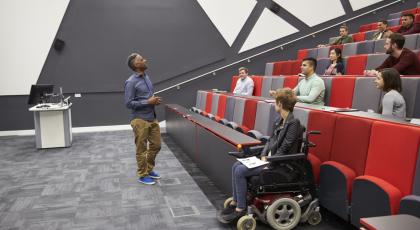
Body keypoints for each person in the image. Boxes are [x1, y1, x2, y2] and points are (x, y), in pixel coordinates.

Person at [219, 88, 301, 222]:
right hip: (268, 159)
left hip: (280, 164)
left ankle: (241, 208)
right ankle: (235, 202)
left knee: (240, 171)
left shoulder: (293, 124)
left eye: (275, 102)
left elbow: (285, 147)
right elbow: (269, 141)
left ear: (280, 104)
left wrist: (269, 161)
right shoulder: (278, 121)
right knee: (235, 166)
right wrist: (263, 155)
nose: (275, 105)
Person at [125, 53, 162, 185]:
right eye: (141, 59)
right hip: (140, 120)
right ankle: (142, 174)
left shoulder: (147, 77)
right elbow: (128, 103)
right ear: (136, 65)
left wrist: (153, 101)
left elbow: (147, 98)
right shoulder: (131, 82)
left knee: (157, 146)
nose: (145, 60)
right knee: (141, 149)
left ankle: (149, 169)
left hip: (152, 118)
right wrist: (148, 102)